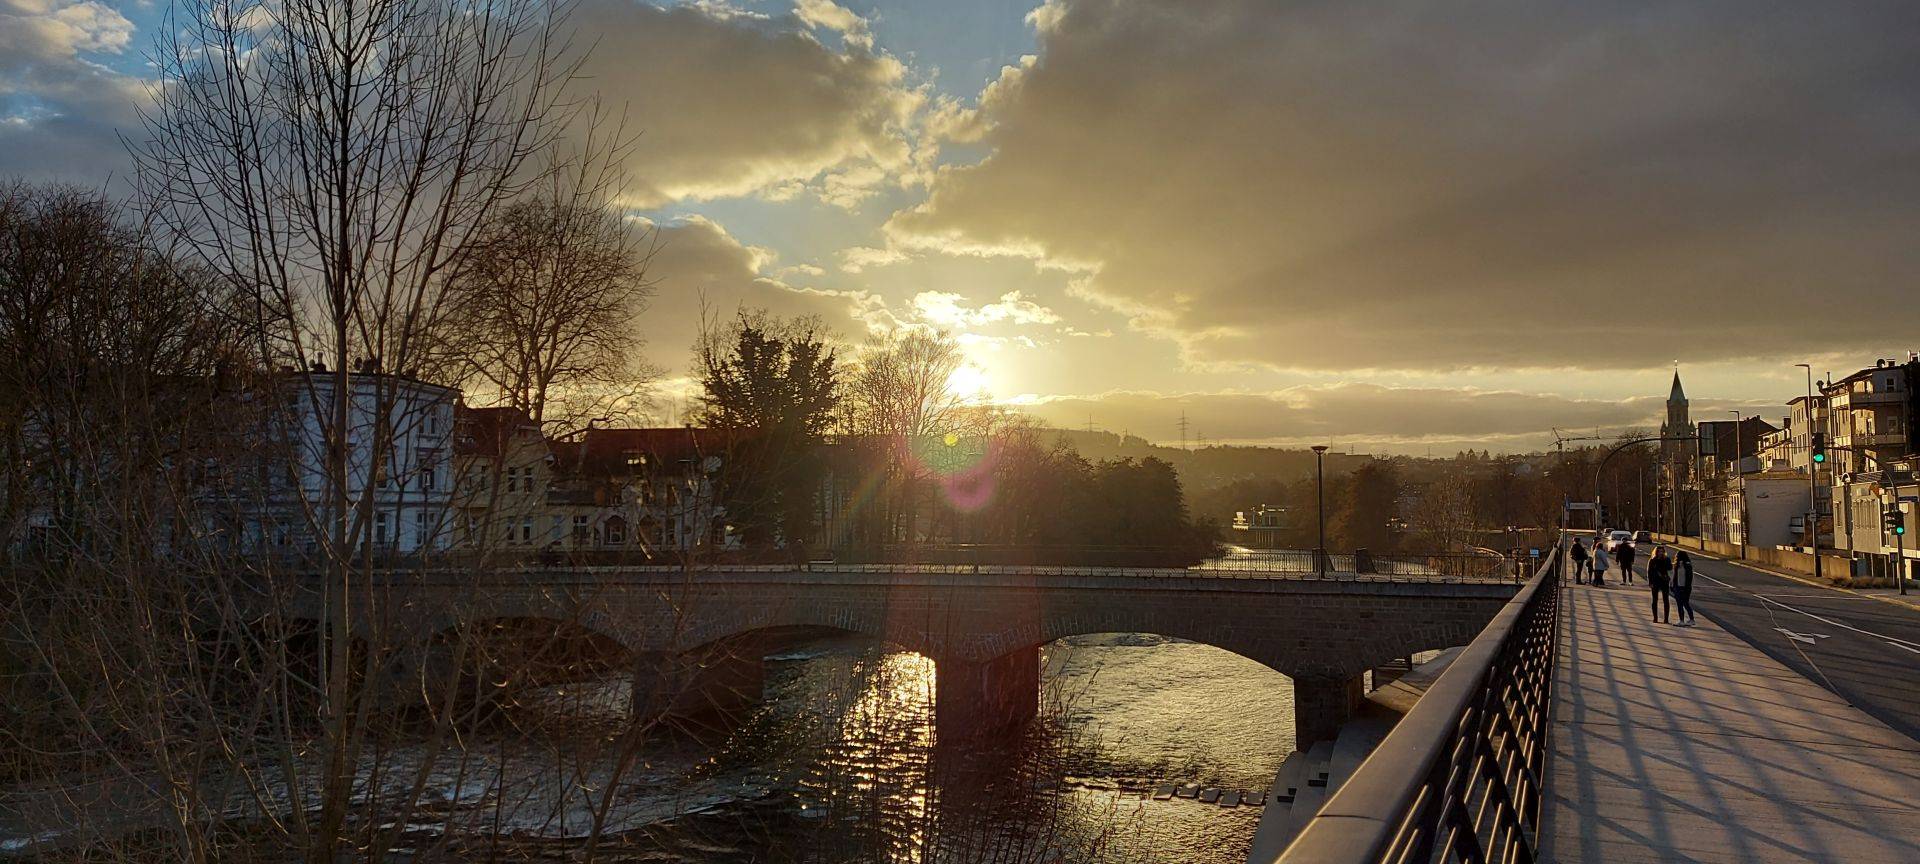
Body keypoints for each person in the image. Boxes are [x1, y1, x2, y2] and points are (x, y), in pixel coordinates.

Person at [1646, 546, 1673, 623]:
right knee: (1655, 600)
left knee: (1666, 600)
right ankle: (1655, 618)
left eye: (1662, 551)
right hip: (1655, 581)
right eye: (1659, 551)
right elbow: (1649, 572)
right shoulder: (1652, 560)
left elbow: (1670, 568)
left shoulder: (1666, 559)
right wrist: (1650, 582)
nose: (1660, 553)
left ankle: (1666, 619)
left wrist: (1667, 562)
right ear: (1656, 552)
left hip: (1664, 581)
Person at [1673, 550, 1697, 625]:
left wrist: (1687, 587)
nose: (1676, 557)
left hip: (1684, 587)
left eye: (1677, 556)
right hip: (1678, 586)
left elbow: (1689, 577)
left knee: (1683, 603)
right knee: (1682, 603)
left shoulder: (1687, 565)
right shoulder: (1677, 565)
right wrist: (1673, 585)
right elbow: (1675, 577)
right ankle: (1689, 619)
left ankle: (1683, 620)